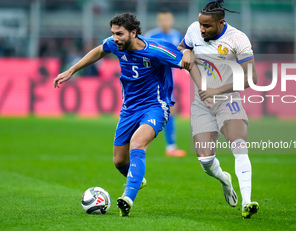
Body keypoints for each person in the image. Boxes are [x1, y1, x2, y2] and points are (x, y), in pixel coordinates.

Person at [53, 12, 193, 217]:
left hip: (155, 106)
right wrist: (72, 70)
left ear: (133, 33)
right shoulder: (115, 45)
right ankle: (136, 177)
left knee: (138, 143)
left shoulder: (155, 51)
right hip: (128, 109)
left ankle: (127, 197)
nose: (115, 38)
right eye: (113, 33)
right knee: (119, 161)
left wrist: (190, 53)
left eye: (119, 34)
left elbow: (187, 60)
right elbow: (99, 50)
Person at [178, 0, 260, 218]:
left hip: (228, 100)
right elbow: (183, 48)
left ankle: (247, 201)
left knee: (238, 145)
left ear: (221, 23)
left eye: (207, 26)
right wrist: (185, 50)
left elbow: (251, 77)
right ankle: (225, 180)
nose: (201, 30)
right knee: (205, 160)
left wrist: (216, 90)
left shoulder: (238, 39)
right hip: (201, 103)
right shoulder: (194, 29)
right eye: (200, 25)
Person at [144, 10, 186, 157]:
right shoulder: (151, 36)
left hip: (167, 80)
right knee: (164, 110)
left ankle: (170, 146)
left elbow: (182, 55)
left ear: (171, 20)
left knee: (168, 110)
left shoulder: (176, 36)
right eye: (162, 20)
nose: (165, 23)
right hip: (153, 80)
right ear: (158, 21)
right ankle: (169, 147)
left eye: (167, 20)